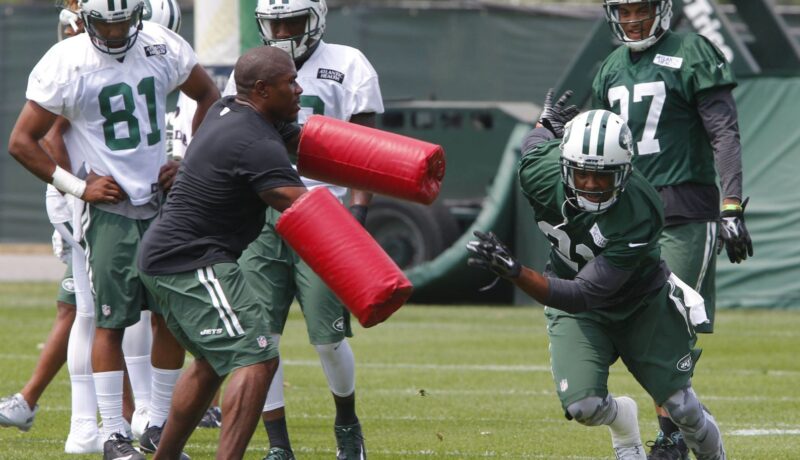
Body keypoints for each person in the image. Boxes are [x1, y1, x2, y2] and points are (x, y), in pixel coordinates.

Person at [7, 0, 219, 457]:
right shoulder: (66, 61)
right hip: (108, 209)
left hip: (163, 204)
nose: (118, 32)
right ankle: (112, 432)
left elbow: (209, 96)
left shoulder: (162, 44)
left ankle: (158, 425)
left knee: (171, 319)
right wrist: (77, 186)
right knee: (110, 321)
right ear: (87, 21)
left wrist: (187, 160)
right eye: (108, 23)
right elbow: (22, 141)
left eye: (125, 21)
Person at [466, 103, 727, 460]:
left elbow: (583, 294)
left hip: (641, 303)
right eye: (582, 173)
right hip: (578, 305)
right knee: (583, 406)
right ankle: (624, 425)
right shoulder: (538, 173)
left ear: (624, 172)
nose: (590, 184)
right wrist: (544, 122)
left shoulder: (640, 208)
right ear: (563, 166)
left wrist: (516, 272)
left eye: (603, 176)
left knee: (683, 410)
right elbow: (534, 145)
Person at [215, 0, 384, 458]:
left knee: (328, 337)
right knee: (260, 336)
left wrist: (359, 213)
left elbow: (365, 152)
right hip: (262, 210)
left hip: (324, 208)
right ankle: (278, 445)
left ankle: (347, 424)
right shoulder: (250, 67)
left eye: (292, 21)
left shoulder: (349, 63)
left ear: (317, 18)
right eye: (274, 22)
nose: (283, 31)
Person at [593, 1, 752, 458]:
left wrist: (731, 203)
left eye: (640, 9)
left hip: (685, 211)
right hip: (629, 215)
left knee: (672, 320)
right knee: (631, 323)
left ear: (662, 9)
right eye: (623, 11)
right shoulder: (609, 68)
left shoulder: (693, 51)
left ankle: (673, 433)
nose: (632, 20)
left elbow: (725, 132)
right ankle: (667, 425)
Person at [137, 45, 308, 460]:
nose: (300, 89)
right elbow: (300, 202)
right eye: (291, 82)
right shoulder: (254, 142)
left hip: (170, 257)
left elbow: (287, 137)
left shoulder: (229, 110)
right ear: (264, 90)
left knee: (214, 363)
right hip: (192, 260)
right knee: (258, 354)